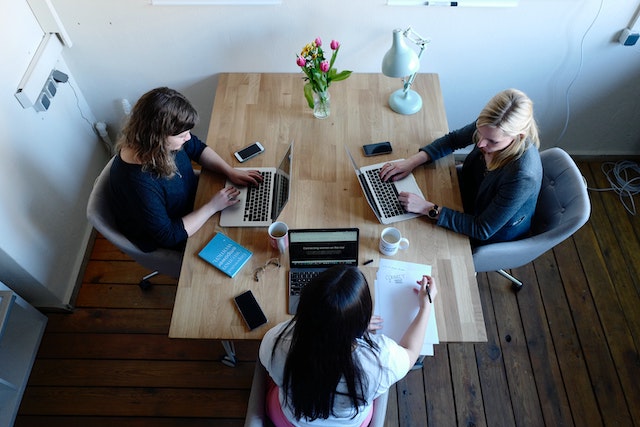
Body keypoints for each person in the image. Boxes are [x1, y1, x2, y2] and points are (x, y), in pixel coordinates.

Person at [259, 265, 437, 427]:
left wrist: (341, 323)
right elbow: (411, 352)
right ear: (362, 320)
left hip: (289, 419)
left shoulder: (275, 341)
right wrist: (425, 306)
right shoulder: (381, 361)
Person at [380, 88, 543, 245]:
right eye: (480, 133)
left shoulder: (522, 175)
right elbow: (453, 140)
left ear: (518, 136)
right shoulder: (490, 125)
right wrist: (411, 162)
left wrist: (426, 208)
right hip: (466, 194)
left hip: (487, 231)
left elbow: (482, 229)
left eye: (492, 141)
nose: (480, 143)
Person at [110, 87, 262, 252]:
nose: (188, 138)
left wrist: (229, 171)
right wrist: (212, 207)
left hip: (194, 202)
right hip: (177, 231)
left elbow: (197, 148)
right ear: (157, 138)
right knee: (246, 241)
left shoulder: (158, 144)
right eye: (182, 136)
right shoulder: (137, 184)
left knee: (251, 219)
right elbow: (168, 236)